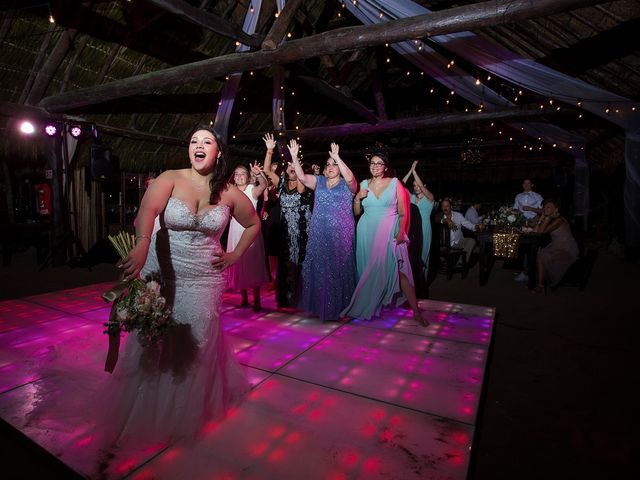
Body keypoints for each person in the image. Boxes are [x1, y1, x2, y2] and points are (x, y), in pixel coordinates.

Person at [108, 126, 261, 449]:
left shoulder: (230, 193)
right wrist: (140, 244)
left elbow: (253, 223)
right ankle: (144, 407)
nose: (198, 146)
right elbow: (147, 212)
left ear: (219, 151)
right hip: (162, 271)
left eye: (206, 141)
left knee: (198, 340)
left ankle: (183, 414)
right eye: (194, 141)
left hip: (205, 277)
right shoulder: (170, 178)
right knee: (156, 339)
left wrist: (234, 255)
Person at [341, 150, 427, 326]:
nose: (375, 166)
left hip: (390, 231)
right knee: (367, 271)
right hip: (367, 231)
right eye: (372, 163)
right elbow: (357, 213)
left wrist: (401, 231)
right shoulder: (363, 184)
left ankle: (416, 312)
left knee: (401, 271)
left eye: (379, 163)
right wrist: (357, 198)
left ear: (385, 167)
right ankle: (367, 305)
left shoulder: (395, 183)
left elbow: (403, 212)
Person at [289, 140, 358, 321]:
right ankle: (321, 307)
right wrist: (295, 157)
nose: (330, 166)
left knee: (338, 268)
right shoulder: (319, 181)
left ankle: (342, 307)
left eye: (333, 164)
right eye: (328, 164)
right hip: (319, 231)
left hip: (341, 234)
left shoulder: (346, 185)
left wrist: (337, 157)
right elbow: (302, 177)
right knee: (320, 268)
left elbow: (351, 179)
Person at [262, 133, 312, 308]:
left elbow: (299, 186)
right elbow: (267, 171)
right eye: (289, 165)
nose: (290, 167)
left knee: (299, 264)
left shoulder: (303, 182)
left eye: (294, 166)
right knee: (285, 264)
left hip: (300, 230)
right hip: (285, 231)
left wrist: (295, 161)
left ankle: (300, 297)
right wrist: (269, 151)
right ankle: (285, 298)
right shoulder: (282, 183)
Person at [227, 160, 270, 310]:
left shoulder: (252, 189)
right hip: (235, 229)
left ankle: (257, 299)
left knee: (253, 262)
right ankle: (244, 299)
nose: (239, 177)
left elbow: (263, 186)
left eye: (242, 174)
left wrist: (259, 174)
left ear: (247, 176)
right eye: (236, 174)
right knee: (239, 263)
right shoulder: (230, 191)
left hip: (250, 229)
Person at [531, 199, 579, 292]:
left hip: (566, 249)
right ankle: (540, 283)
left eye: (548, 207)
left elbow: (540, 232)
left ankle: (540, 285)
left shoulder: (559, 220)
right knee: (539, 253)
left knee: (541, 255)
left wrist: (546, 218)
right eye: (544, 207)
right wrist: (541, 218)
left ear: (556, 209)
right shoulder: (551, 218)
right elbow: (536, 230)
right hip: (556, 246)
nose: (545, 209)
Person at [402, 160, 435, 283]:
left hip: (424, 228)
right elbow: (401, 185)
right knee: (412, 256)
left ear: (424, 186)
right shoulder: (412, 198)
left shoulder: (430, 198)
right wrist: (410, 171)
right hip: (413, 229)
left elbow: (421, 186)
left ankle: (423, 284)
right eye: (414, 186)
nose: (416, 188)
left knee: (423, 255)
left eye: (418, 185)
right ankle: (413, 284)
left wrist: (415, 171)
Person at [513, 178, 543, 281]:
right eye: (524, 183)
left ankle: (529, 271)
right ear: (522, 185)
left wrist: (531, 209)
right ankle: (522, 269)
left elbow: (542, 211)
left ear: (532, 185)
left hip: (533, 223)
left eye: (528, 183)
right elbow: (515, 209)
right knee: (520, 246)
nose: (526, 185)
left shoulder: (538, 196)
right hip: (520, 222)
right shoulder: (518, 196)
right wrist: (517, 213)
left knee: (531, 247)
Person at [440, 198, 482, 262]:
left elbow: (466, 223)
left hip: (459, 241)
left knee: (471, 241)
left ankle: (461, 263)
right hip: (446, 245)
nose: (445, 208)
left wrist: (476, 226)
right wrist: (447, 220)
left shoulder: (458, 215)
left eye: (447, 206)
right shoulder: (440, 216)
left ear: (451, 207)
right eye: (443, 206)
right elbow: (437, 219)